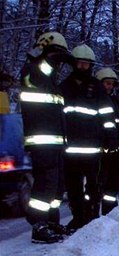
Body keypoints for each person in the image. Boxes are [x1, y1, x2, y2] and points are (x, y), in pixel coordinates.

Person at [20, 31, 72, 243]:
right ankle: (38, 225)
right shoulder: (33, 71)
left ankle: (51, 221)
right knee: (45, 184)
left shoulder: (50, 80)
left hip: (56, 143)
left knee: (57, 186)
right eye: (55, 55)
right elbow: (36, 72)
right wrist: (45, 55)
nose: (58, 62)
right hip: (42, 142)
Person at [60, 44, 114, 231]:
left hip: (92, 147)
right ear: (74, 64)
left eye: (86, 64)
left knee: (93, 185)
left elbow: (107, 114)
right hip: (70, 148)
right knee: (73, 188)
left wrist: (111, 137)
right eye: (80, 64)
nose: (82, 67)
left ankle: (92, 215)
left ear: (90, 66)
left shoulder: (96, 87)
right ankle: (78, 217)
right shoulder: (64, 87)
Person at [96, 67, 119, 214]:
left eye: (112, 84)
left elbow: (118, 125)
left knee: (113, 185)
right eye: (107, 83)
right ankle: (95, 216)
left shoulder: (114, 101)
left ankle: (110, 212)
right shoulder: (95, 99)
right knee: (99, 184)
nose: (109, 86)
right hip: (102, 150)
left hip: (115, 150)